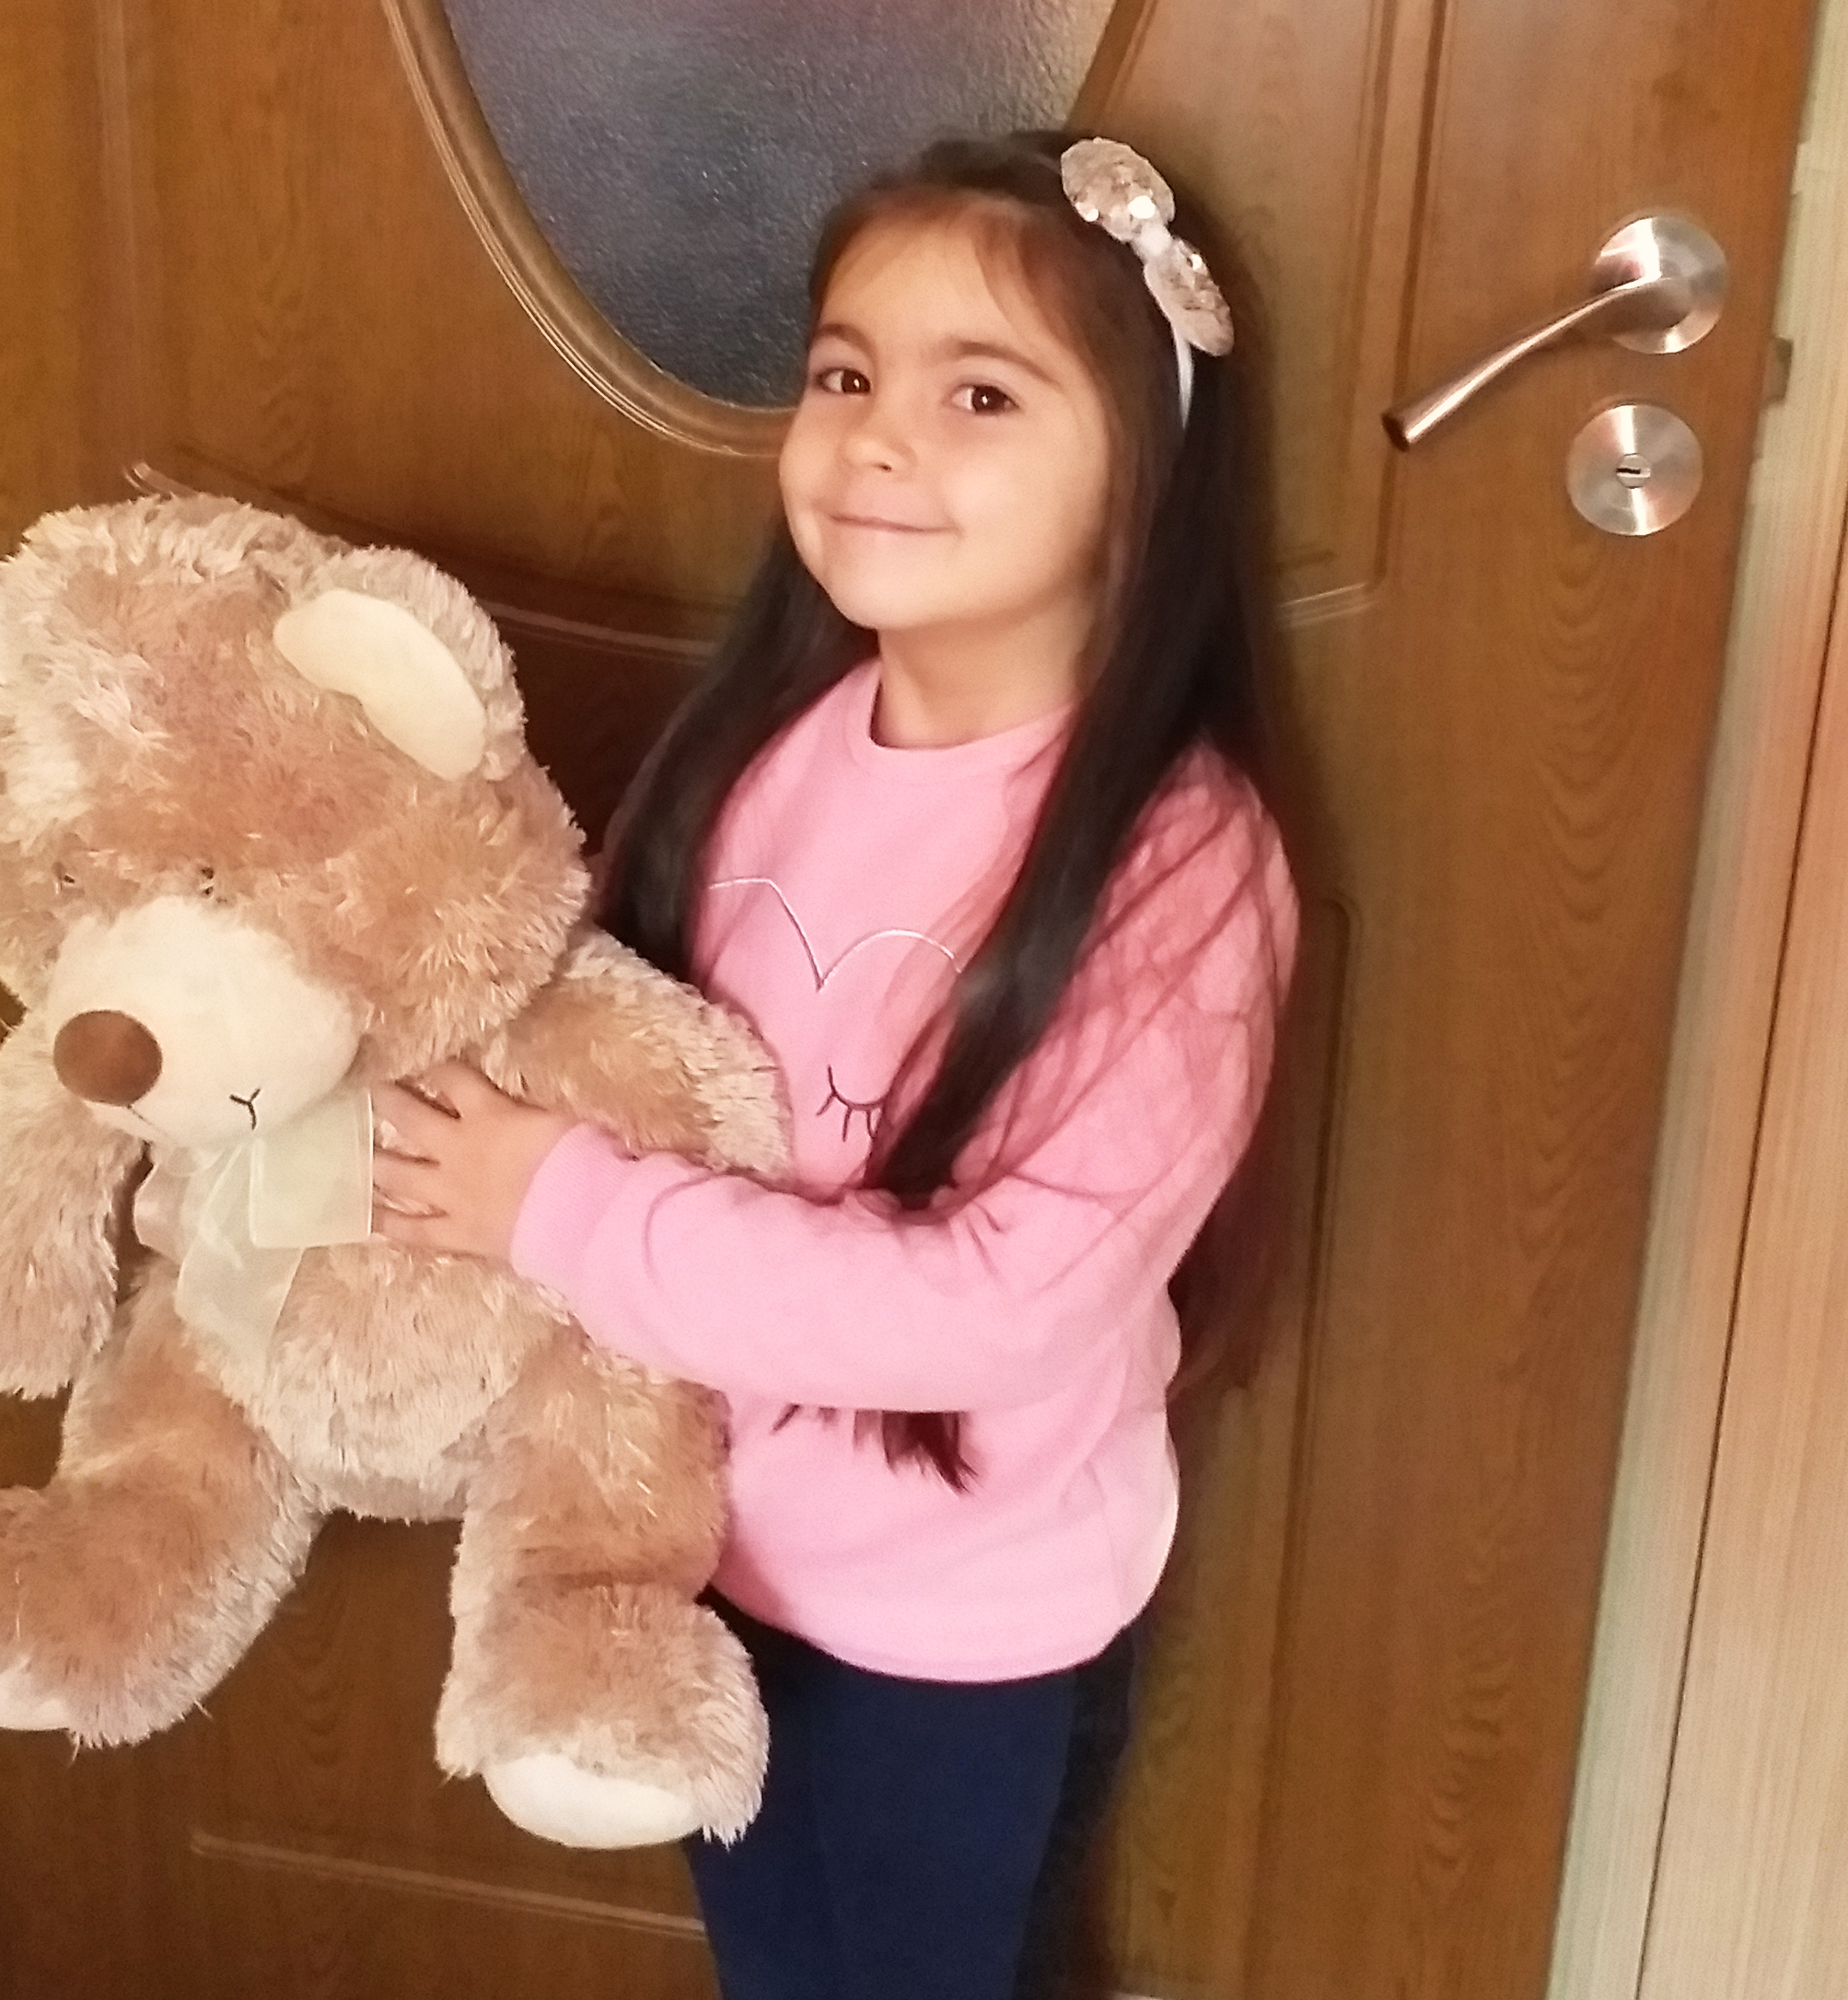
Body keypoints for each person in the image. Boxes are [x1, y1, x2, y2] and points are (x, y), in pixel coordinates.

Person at [373, 128, 1296, 2000]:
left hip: (956, 1632)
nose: (878, 439)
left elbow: (1005, 1304)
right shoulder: (763, 744)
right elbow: (622, 1059)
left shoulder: (1179, 866)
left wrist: (558, 1208)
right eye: (846, 376)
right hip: (705, 1557)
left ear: (1145, 473)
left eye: (981, 394)